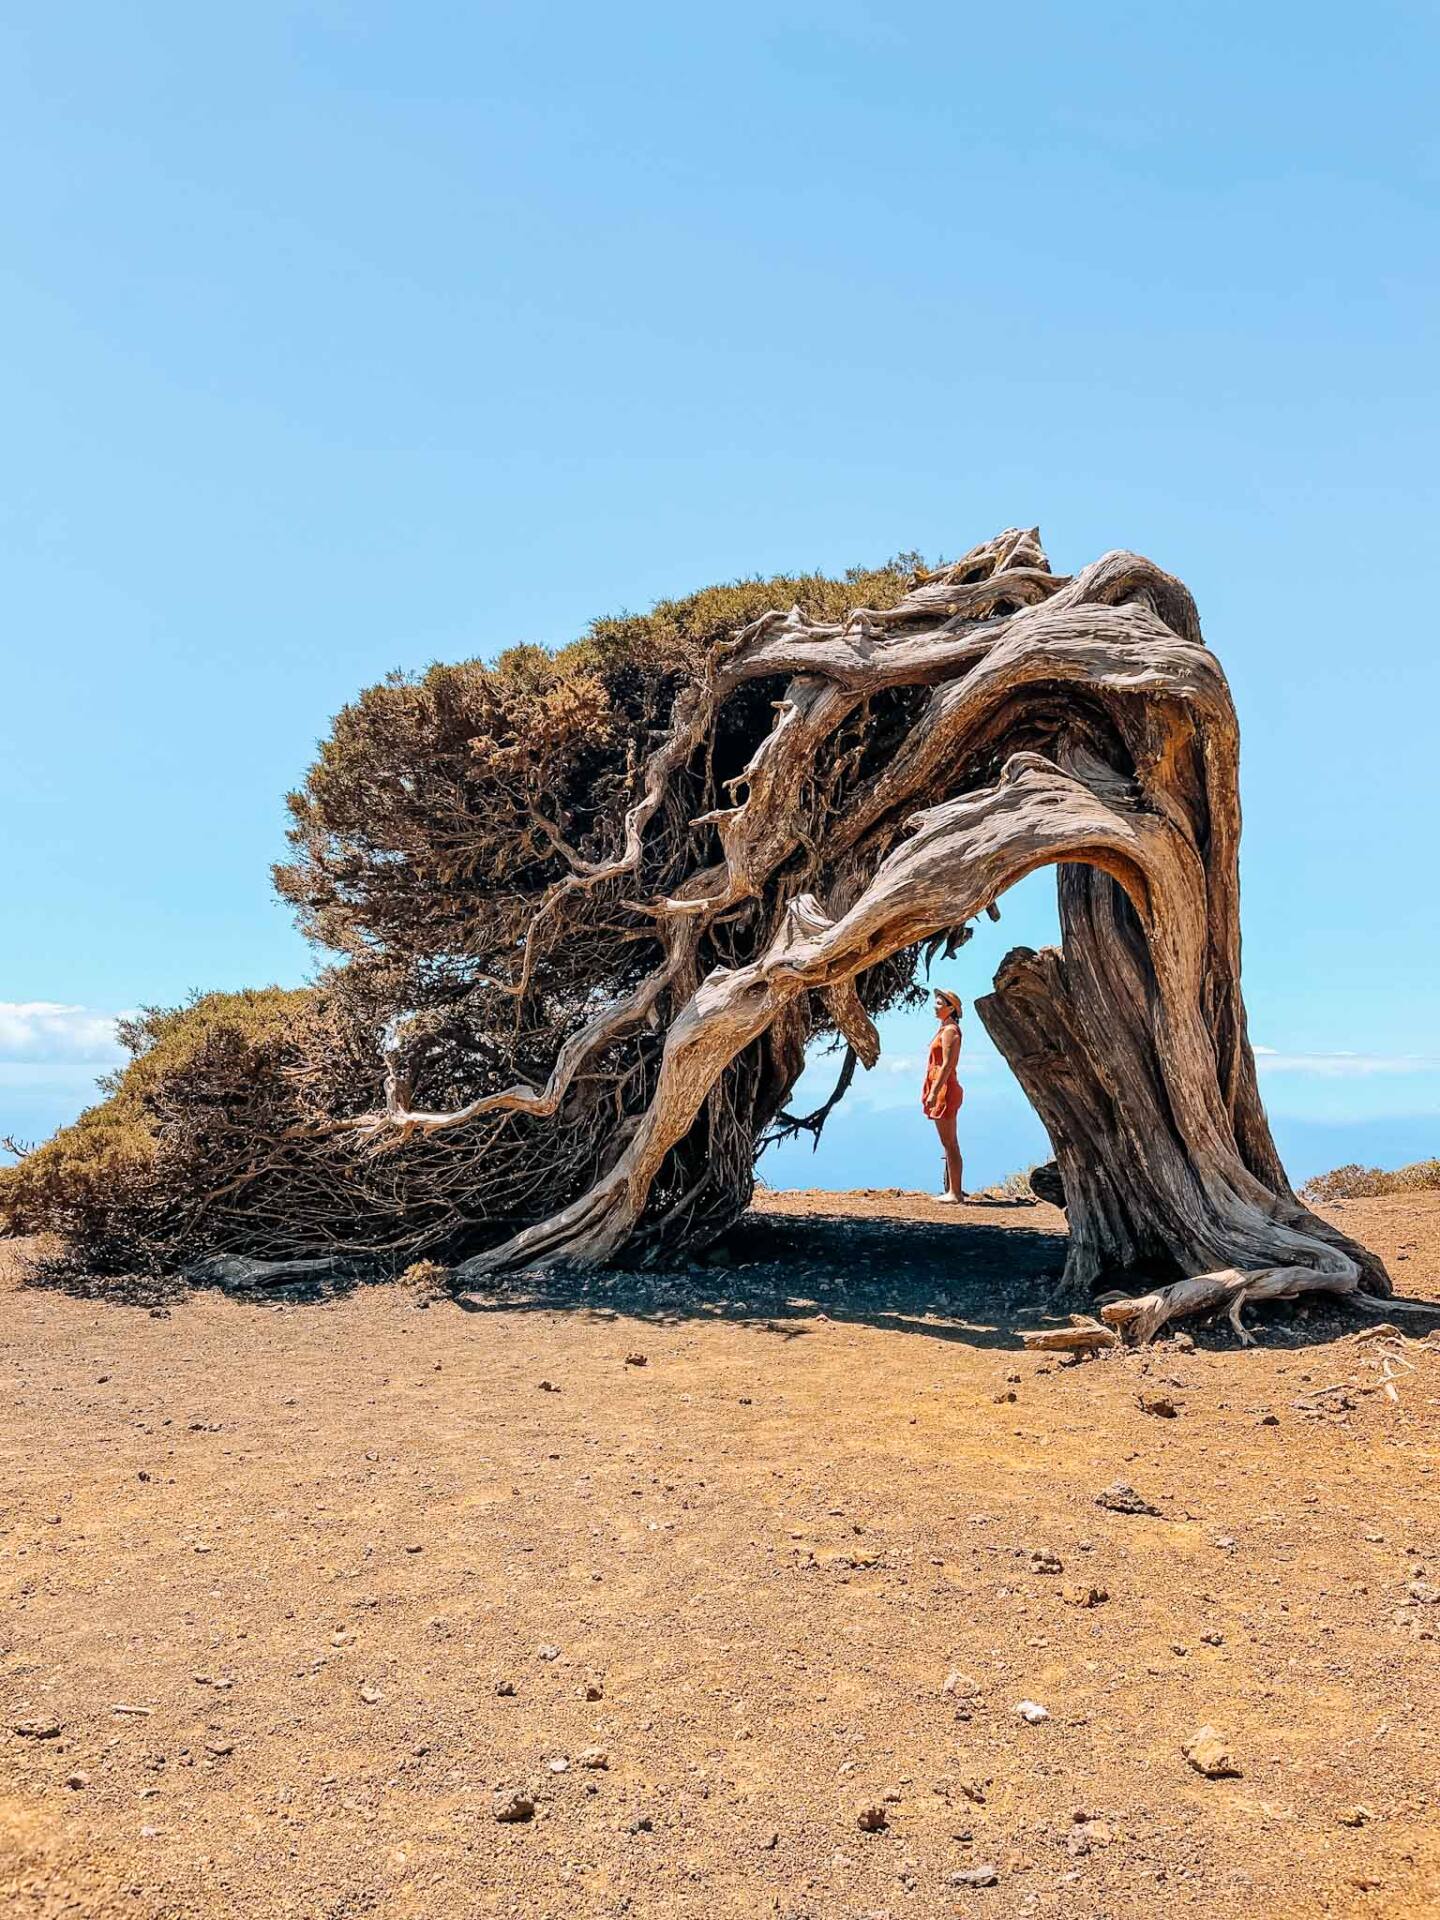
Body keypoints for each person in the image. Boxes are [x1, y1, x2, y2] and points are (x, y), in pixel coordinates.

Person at [921, 988, 965, 1202]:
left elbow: (947, 1065)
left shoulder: (950, 1031)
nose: (935, 1007)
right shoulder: (944, 1029)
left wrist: (934, 1091)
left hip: (945, 1089)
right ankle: (952, 1189)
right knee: (948, 1142)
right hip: (941, 1087)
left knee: (950, 1142)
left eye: (939, 1003)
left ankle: (955, 1193)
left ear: (950, 1008)